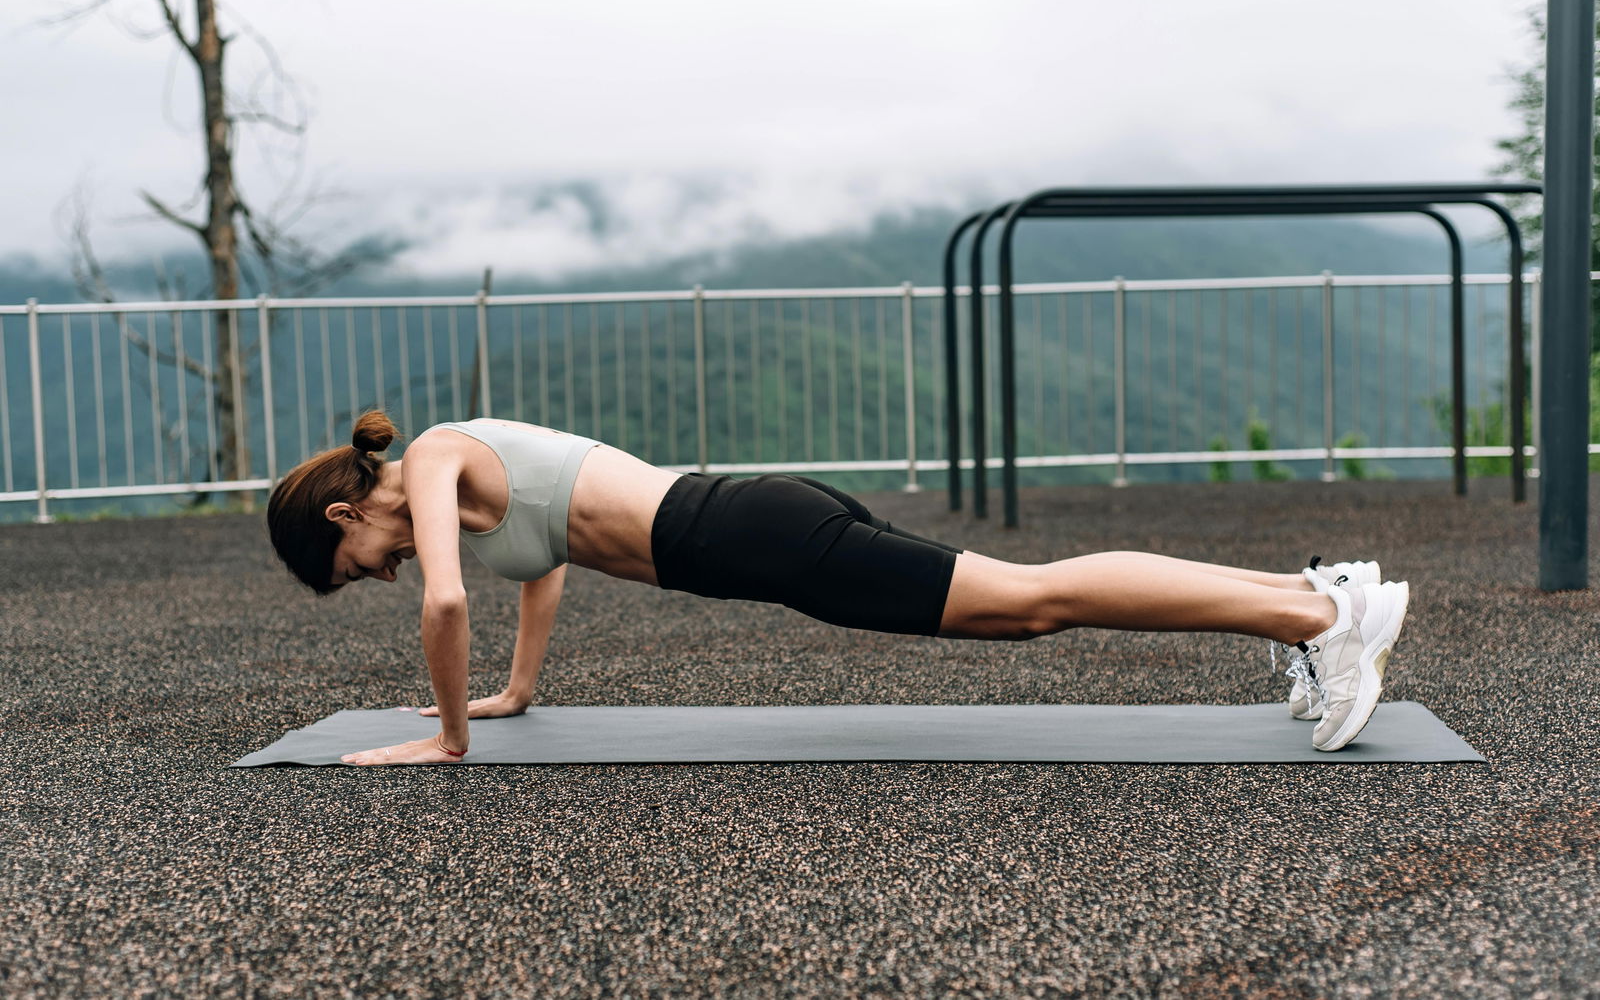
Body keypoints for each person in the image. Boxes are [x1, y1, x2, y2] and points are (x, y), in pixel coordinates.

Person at [267, 410, 1408, 764]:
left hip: (755, 536)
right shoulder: (455, 484)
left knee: (1032, 599)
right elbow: (542, 570)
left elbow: (448, 600)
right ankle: (1317, 592)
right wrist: (514, 695)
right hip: (751, 527)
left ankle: (1321, 617)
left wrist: (450, 740)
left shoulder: (430, 459)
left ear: (341, 517)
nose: (381, 573)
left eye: (352, 568)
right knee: (1027, 594)